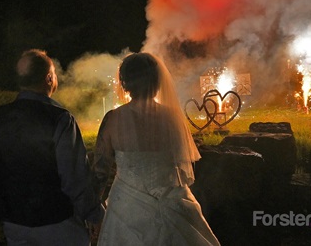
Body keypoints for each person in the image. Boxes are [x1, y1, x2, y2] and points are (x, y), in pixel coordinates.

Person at [0, 49, 104, 245]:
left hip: (15, 224)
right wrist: (94, 214)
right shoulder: (61, 119)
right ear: (49, 78)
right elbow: (75, 179)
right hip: (58, 223)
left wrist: (1, 206)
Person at [93, 52, 220, 245]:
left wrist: (92, 210)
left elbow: (100, 170)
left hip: (126, 208)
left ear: (124, 83)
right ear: (158, 83)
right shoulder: (173, 118)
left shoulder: (113, 119)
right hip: (172, 202)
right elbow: (179, 162)